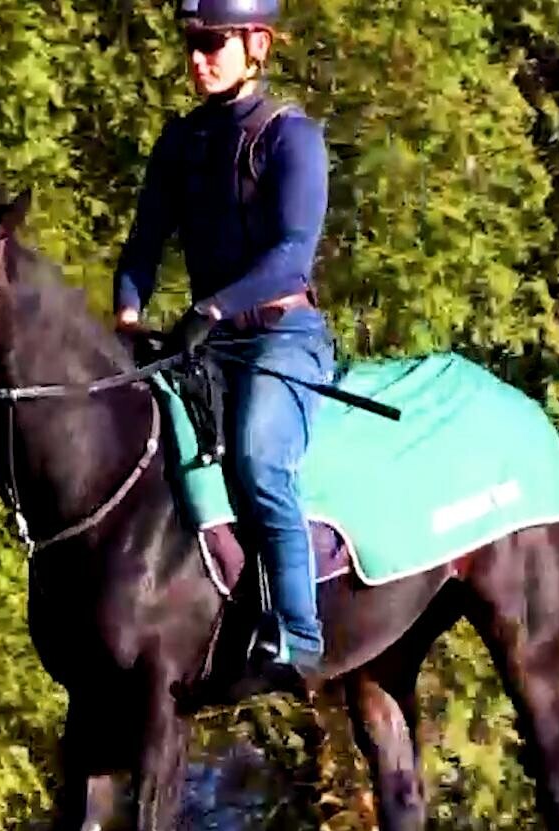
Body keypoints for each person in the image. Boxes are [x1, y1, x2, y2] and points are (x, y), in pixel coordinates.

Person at [113, 0, 333, 692]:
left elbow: (293, 255)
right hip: (204, 341)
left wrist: (209, 307)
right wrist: (126, 309)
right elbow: (144, 245)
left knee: (258, 460)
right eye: (192, 44)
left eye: (213, 42)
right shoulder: (179, 144)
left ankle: (298, 636)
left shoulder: (291, 138)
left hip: (282, 337)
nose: (199, 57)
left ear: (256, 45)